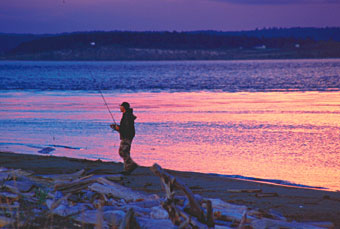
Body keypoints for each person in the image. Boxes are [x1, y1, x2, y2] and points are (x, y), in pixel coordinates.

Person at [110, 102, 138, 175]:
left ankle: (129, 167)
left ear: (124, 108)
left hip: (127, 135)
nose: (120, 108)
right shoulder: (126, 115)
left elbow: (127, 128)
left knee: (123, 152)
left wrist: (118, 128)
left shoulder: (127, 116)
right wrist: (117, 128)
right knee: (124, 152)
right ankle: (128, 167)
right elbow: (125, 127)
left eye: (121, 107)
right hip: (127, 135)